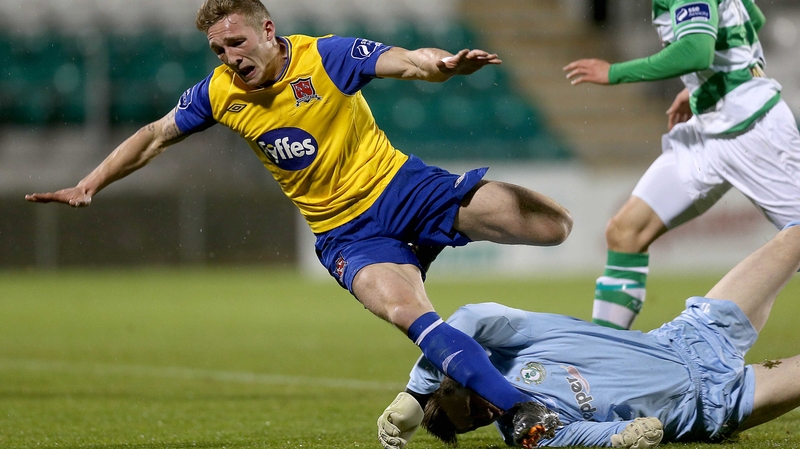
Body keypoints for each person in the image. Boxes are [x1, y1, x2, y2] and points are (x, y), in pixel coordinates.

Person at [24, 0, 574, 439]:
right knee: (410, 313)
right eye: (218, 49)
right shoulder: (219, 93)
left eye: (236, 42)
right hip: (348, 235)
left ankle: (427, 388)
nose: (229, 57)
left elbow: (408, 60)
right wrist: (90, 182)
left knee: (555, 227)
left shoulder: (326, 56)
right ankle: (521, 411)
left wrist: (442, 66)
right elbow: (154, 136)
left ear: (268, 30)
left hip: (404, 189)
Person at [377, 220, 800, 448]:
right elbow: (574, 437)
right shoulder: (527, 428)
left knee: (793, 238)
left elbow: (468, 317)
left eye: (468, 407)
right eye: (472, 426)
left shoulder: (510, 341)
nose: (483, 416)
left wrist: (418, 390)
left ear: (459, 376)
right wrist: (621, 436)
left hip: (691, 336)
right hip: (711, 404)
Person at [563, 0, 800, 329]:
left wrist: (614, 72)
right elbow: (751, 19)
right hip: (709, 131)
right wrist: (704, 85)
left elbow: (695, 51)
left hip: (754, 129)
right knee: (626, 231)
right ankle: (607, 357)